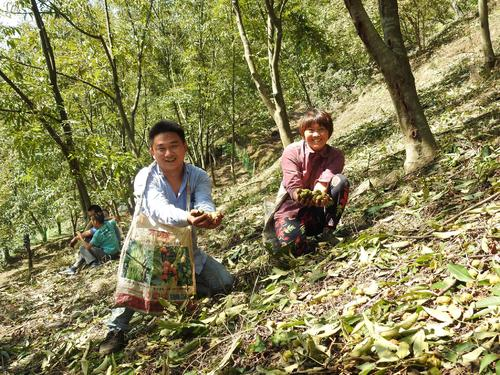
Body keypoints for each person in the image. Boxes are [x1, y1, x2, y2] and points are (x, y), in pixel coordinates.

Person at [98, 120, 233, 355]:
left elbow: (204, 200)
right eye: (161, 148)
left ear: (185, 147)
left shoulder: (198, 175)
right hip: (148, 251)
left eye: (174, 146)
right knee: (134, 283)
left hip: (185, 251)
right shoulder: (146, 177)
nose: (168, 153)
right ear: (152, 151)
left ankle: (185, 296)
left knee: (224, 283)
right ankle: (116, 330)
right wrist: (188, 218)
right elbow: (157, 209)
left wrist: (207, 215)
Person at [263, 109, 349, 258]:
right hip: (291, 210)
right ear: (303, 133)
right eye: (311, 130)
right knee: (295, 250)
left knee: (340, 181)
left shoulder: (336, 156)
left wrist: (316, 196)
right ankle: (298, 238)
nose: (316, 135)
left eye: (321, 129)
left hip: (317, 213)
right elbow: (293, 186)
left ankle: (328, 232)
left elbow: (324, 181)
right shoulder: (292, 152)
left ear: (329, 131)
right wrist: (301, 196)